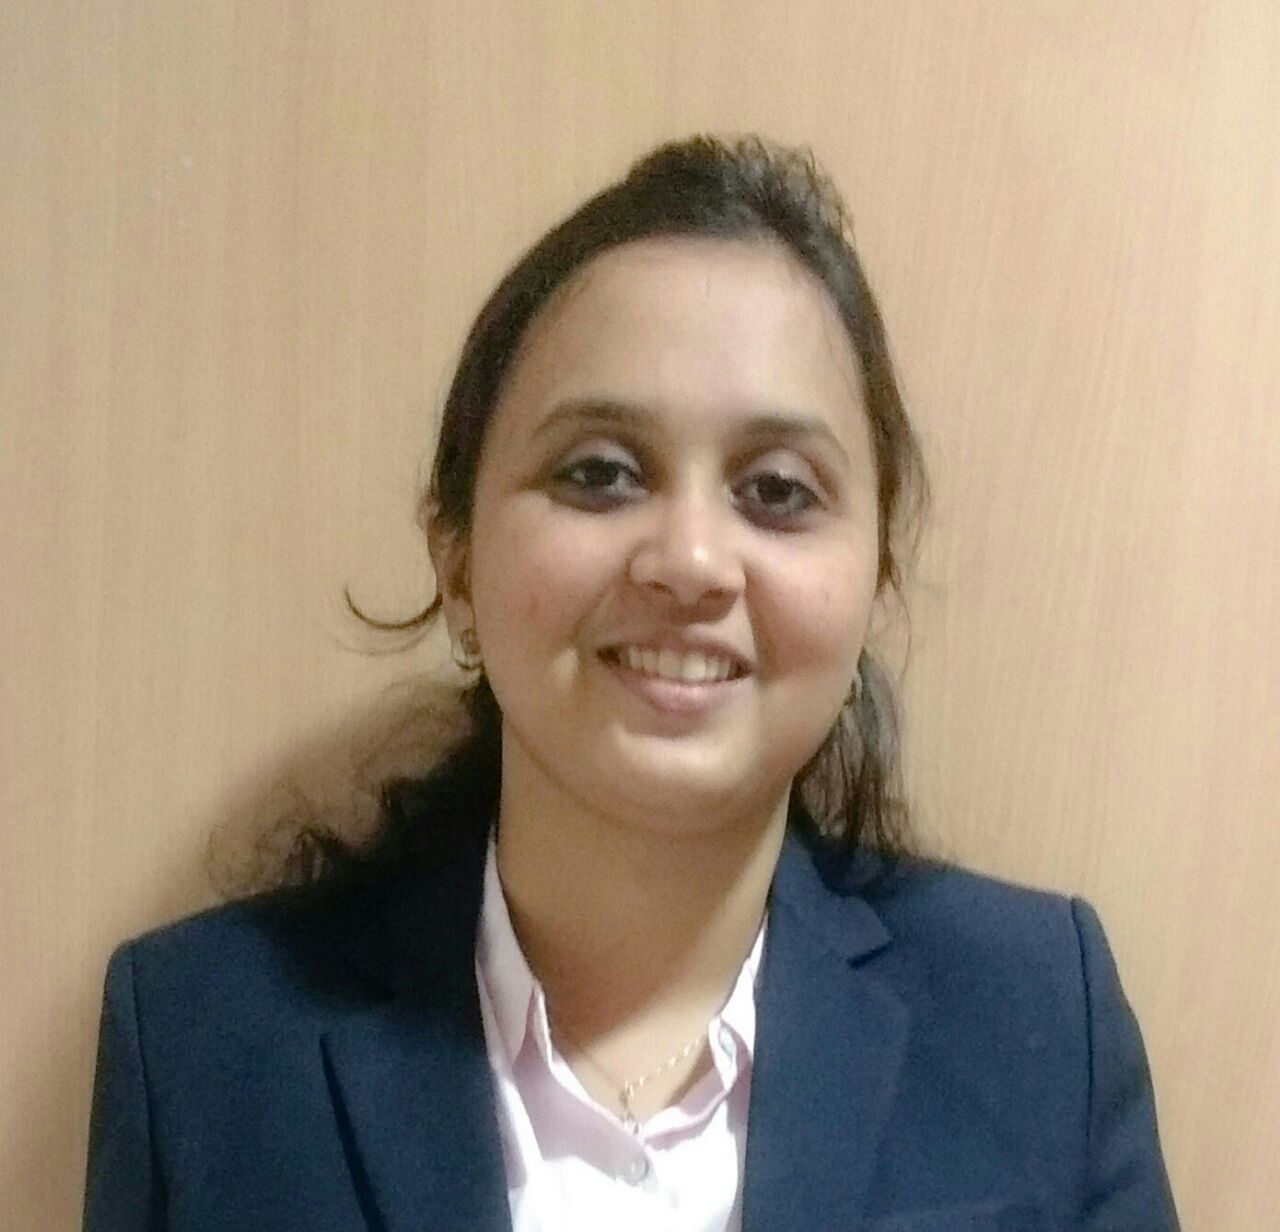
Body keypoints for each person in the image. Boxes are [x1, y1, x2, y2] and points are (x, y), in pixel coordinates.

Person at [83, 135, 1180, 1231]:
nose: (690, 562)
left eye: (777, 490)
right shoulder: (201, 1040)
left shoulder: (1041, 1020)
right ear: (457, 564)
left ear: (872, 580)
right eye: (600, 473)